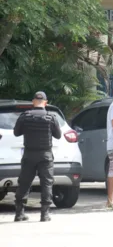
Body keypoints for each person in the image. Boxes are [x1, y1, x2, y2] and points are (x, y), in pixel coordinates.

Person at [13, 91, 61, 222]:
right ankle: (44, 215)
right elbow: (58, 135)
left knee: (24, 183)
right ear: (45, 102)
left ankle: (19, 213)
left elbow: (16, 133)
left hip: (29, 154)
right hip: (45, 155)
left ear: (33, 101)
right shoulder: (51, 117)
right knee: (46, 183)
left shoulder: (25, 116)